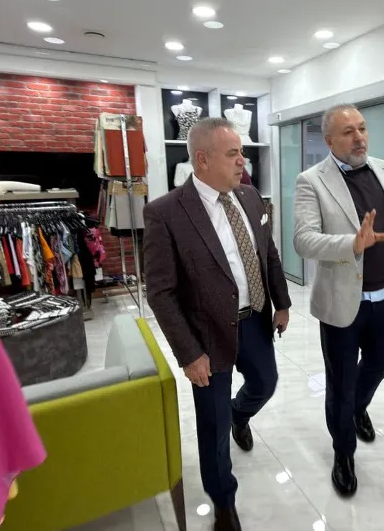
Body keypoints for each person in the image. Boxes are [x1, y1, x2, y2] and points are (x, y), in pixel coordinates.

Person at [144, 117, 291, 531]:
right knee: (211, 426)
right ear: (203, 159)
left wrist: (281, 303)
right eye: (233, 154)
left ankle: (239, 415)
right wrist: (189, 353)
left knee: (265, 383)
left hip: (255, 320)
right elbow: (161, 292)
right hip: (206, 334)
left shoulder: (250, 196)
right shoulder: (165, 213)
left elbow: (268, 254)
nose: (243, 161)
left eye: (242, 152)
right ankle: (223, 500)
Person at [293, 104, 384, 498]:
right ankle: (343, 453)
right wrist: (352, 243)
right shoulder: (311, 181)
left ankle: (357, 408)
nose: (359, 137)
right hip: (341, 304)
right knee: (341, 382)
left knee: (381, 362)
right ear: (329, 140)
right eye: (348, 132)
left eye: (362, 128)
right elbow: (303, 240)